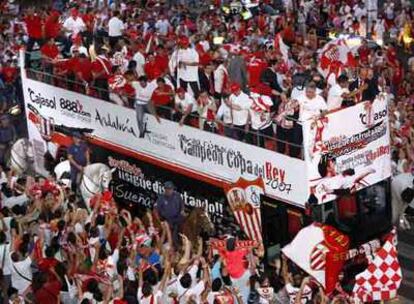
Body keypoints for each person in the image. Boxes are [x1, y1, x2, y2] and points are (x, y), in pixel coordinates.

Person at [154, 181, 184, 247]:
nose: (169, 190)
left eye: (170, 189)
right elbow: (155, 209)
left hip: (178, 216)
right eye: (167, 189)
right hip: (167, 219)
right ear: (165, 189)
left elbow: (182, 204)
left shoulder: (177, 195)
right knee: (173, 229)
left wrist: (182, 210)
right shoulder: (161, 198)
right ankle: (174, 244)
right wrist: (159, 221)